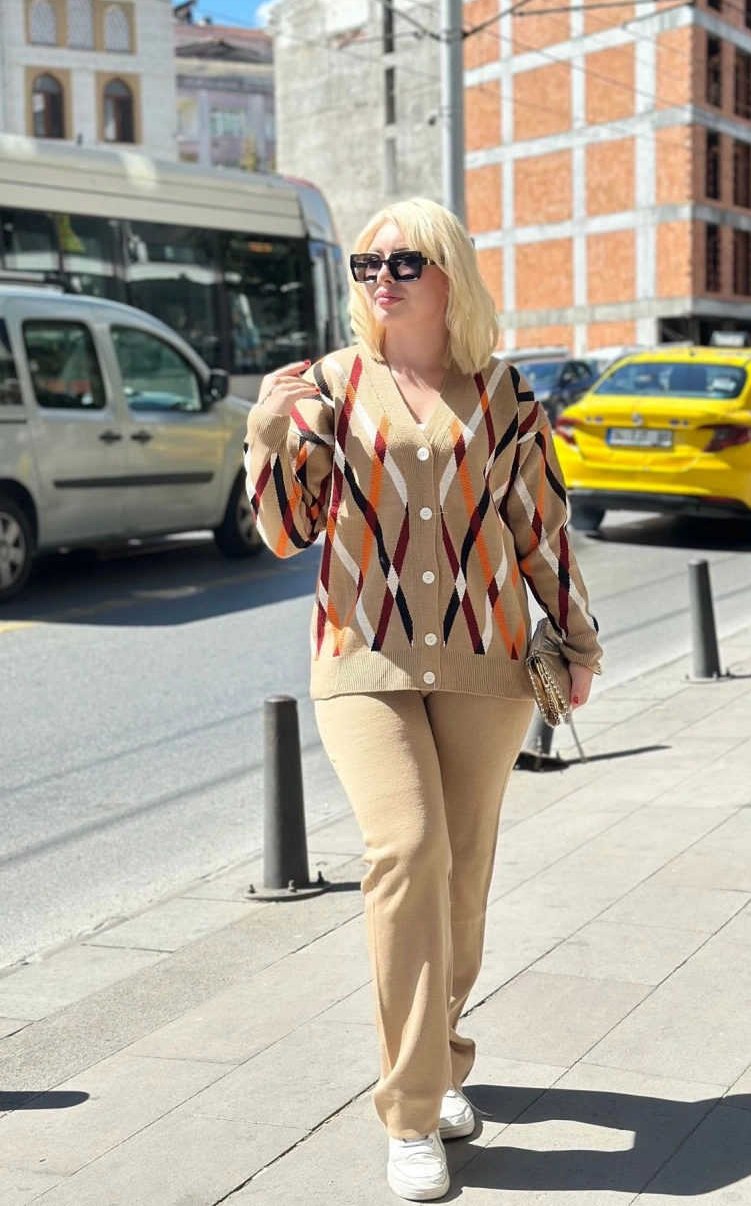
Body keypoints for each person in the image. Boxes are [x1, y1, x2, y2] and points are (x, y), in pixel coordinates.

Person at [245, 198, 602, 1201]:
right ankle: (409, 1113)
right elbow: (285, 531)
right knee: (407, 849)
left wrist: (576, 639)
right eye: (368, 265)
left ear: (450, 273)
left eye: (404, 262)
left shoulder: (503, 393)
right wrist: (266, 434)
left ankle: (441, 1061)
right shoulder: (327, 385)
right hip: (363, 659)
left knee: (463, 876)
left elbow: (542, 529)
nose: (382, 279)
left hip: (487, 660)